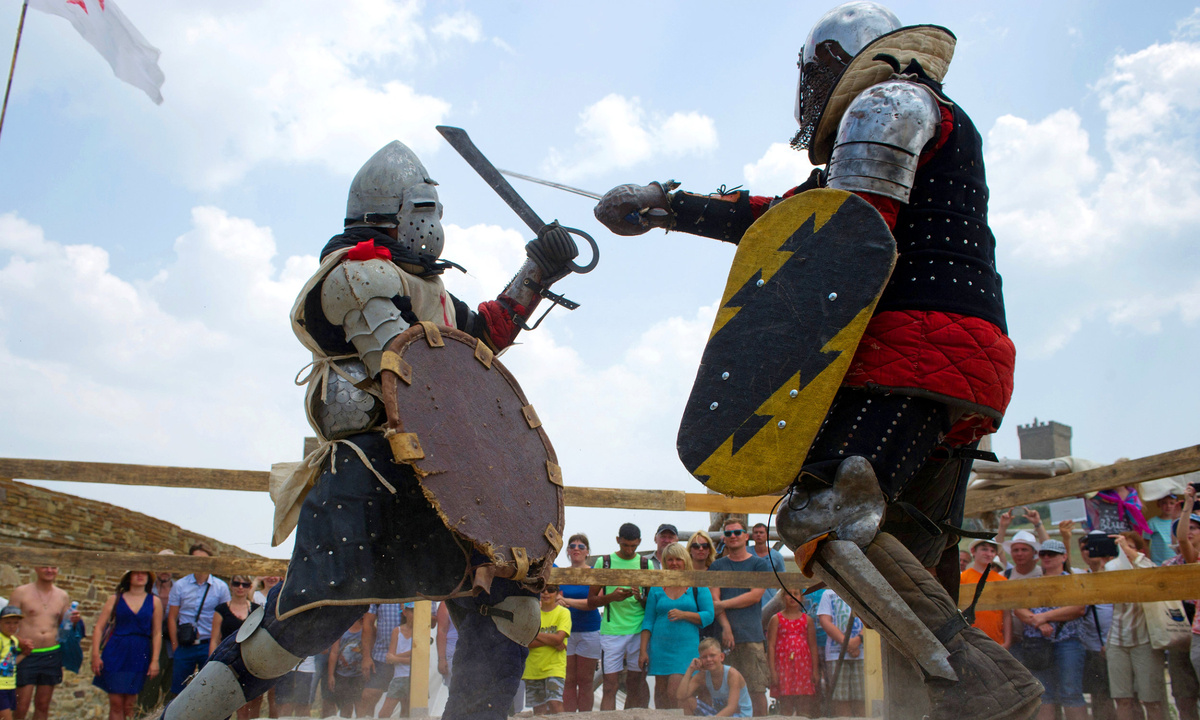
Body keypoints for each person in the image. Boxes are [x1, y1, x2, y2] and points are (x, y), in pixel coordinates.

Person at [594, 4, 1039, 718]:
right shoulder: (936, 114)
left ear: (838, 61)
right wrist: (666, 205)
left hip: (911, 352)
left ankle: (981, 678)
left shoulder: (890, 101)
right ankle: (940, 702)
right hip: (964, 362)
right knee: (904, 555)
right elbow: (789, 215)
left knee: (821, 512)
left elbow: (843, 234)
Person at [161, 140, 577, 720]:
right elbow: (409, 371)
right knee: (290, 633)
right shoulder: (359, 274)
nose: (434, 227)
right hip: (372, 475)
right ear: (401, 213)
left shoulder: (424, 287)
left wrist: (539, 269)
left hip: (448, 476)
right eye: (426, 211)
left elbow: (480, 339)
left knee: (511, 613)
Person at [1013, 539, 1087, 720]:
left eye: (1051, 554)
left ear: (1064, 556)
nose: (1046, 557)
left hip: (1067, 641)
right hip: (1037, 643)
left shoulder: (1073, 581)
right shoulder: (1032, 582)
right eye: (1043, 554)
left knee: (1071, 692)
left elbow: (1078, 608)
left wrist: (1043, 617)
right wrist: (1037, 622)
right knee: (1044, 694)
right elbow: (1018, 608)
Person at [639, 543, 715, 710]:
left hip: (685, 649)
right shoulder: (657, 587)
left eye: (678, 559)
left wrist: (684, 614)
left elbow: (709, 615)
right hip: (660, 648)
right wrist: (643, 650)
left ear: (685, 560)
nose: (674, 563)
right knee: (660, 692)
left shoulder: (697, 585)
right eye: (670, 560)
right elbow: (648, 621)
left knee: (676, 691)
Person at [708, 520, 769, 717]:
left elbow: (755, 596)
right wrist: (726, 627)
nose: (733, 536)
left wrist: (724, 605)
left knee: (756, 690)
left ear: (746, 536)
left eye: (737, 532)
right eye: (729, 533)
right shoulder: (717, 566)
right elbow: (713, 598)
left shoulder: (759, 564)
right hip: (723, 638)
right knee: (724, 693)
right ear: (724, 538)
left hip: (751, 635)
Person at [589, 523, 650, 710]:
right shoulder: (604, 562)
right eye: (625, 545)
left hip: (638, 630)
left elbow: (651, 604)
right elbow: (591, 601)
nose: (630, 550)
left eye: (633, 546)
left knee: (634, 686)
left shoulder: (645, 564)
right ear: (618, 541)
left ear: (639, 542)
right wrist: (611, 597)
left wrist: (640, 598)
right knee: (610, 686)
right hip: (612, 631)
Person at [1104, 532, 1165, 720]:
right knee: (1122, 699)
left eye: (1128, 546)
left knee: (1151, 700)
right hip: (1117, 640)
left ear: (1138, 550)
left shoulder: (1146, 566)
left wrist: (1129, 551)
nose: (1123, 550)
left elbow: (1152, 574)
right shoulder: (1113, 568)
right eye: (1120, 547)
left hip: (1144, 639)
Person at [9, 566, 81, 720]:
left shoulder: (62, 595)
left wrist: (74, 621)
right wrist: (20, 642)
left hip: (51, 654)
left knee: (43, 705)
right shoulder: (21, 592)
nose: (49, 570)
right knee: (21, 705)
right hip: (27, 653)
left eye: (53, 567)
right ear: (35, 568)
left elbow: (64, 627)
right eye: (45, 566)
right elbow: (7, 624)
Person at [91, 570, 163, 720]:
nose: (140, 575)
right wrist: (95, 655)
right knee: (116, 702)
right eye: (135, 573)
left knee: (130, 704)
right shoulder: (115, 599)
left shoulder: (154, 601)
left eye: (144, 573)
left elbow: (157, 632)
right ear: (128, 577)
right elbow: (99, 627)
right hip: (116, 651)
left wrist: (155, 660)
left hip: (139, 653)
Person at [165, 544, 229, 698]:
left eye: (204, 559)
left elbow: (225, 618)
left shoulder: (221, 587)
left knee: (207, 691)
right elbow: (172, 618)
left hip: (208, 645)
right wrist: (175, 647)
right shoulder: (180, 585)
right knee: (178, 692)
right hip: (184, 645)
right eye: (196, 559)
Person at [1075, 531, 1116, 720]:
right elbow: (1060, 563)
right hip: (1092, 646)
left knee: (1128, 696)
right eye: (1085, 547)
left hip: (1118, 643)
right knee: (1099, 695)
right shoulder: (1080, 575)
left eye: (1095, 546)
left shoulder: (1120, 572)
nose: (1090, 551)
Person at [208, 576, 261, 720]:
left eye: (245, 584)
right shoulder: (221, 610)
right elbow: (214, 639)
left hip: (251, 661)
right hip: (228, 662)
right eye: (237, 583)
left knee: (250, 705)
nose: (240, 587)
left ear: (250, 587)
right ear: (231, 586)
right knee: (226, 703)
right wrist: (210, 664)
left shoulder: (257, 610)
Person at [558, 534, 599, 712]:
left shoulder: (594, 573)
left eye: (581, 546)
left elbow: (594, 603)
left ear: (587, 552)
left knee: (586, 681)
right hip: (565, 631)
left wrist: (566, 600)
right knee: (568, 680)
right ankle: (568, 716)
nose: (576, 549)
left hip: (590, 630)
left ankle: (585, 716)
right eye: (572, 546)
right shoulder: (560, 573)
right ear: (567, 551)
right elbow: (554, 599)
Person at [766, 591, 819, 717]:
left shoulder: (808, 620)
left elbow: (813, 646)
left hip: (803, 667)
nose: (792, 597)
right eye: (788, 594)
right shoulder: (776, 619)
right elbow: (771, 646)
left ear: (801, 597)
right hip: (784, 667)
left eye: (796, 593)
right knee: (786, 704)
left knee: (804, 704)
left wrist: (815, 671)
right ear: (782, 597)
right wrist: (773, 671)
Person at [137, 551, 176, 715]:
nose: (165, 569)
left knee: (171, 687)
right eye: (162, 564)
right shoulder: (147, 587)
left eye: (169, 565)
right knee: (148, 687)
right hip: (148, 641)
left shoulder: (179, 587)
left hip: (172, 640)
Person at [524, 586, 571, 715]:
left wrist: (534, 634)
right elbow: (526, 642)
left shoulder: (563, 612)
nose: (546, 593)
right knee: (538, 709)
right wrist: (552, 640)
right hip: (533, 668)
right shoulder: (532, 613)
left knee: (555, 703)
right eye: (543, 589)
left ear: (557, 593)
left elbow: (559, 639)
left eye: (550, 590)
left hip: (554, 666)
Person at [818, 589, 865, 718]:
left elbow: (871, 618)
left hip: (863, 654)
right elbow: (825, 621)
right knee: (840, 698)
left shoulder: (862, 590)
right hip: (836, 654)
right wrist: (847, 643)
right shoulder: (828, 593)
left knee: (862, 697)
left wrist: (858, 640)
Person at [677, 638, 752, 718]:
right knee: (686, 702)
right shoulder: (702, 676)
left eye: (712, 655)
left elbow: (732, 708)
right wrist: (690, 669)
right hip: (719, 716)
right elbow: (681, 697)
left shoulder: (732, 674)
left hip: (740, 716)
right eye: (704, 657)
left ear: (721, 657)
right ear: (700, 660)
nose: (709, 659)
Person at [960, 539, 1011, 648]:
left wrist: (1007, 642)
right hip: (969, 640)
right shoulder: (962, 578)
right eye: (984, 549)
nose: (989, 554)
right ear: (973, 551)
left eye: (992, 551)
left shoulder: (1001, 580)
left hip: (996, 640)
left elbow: (1006, 613)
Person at [360, 603, 403, 714]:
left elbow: (432, 623)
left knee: (407, 700)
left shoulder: (417, 588)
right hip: (382, 655)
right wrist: (366, 657)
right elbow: (367, 624)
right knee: (368, 696)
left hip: (409, 658)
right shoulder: (381, 592)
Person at [327, 614, 367, 718]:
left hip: (360, 674)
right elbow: (334, 652)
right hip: (343, 675)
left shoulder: (366, 630)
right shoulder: (341, 630)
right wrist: (331, 675)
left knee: (360, 704)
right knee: (345, 706)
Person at [379, 603, 415, 719]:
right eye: (412, 611)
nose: (415, 614)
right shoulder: (397, 631)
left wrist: (396, 658)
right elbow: (389, 658)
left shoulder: (422, 632)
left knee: (408, 713)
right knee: (384, 713)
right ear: (405, 612)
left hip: (415, 677)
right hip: (399, 677)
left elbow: (417, 660)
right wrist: (410, 654)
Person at [1, 606, 29, 720]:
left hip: (10, 685)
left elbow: (10, 663)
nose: (12, 626)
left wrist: (24, 654)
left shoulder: (14, 640)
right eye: (7, 623)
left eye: (15, 623)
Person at [750, 524, 785, 605]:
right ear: (752, 535)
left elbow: (783, 579)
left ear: (767, 535)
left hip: (770, 599)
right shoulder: (746, 552)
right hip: (748, 597)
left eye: (761, 532)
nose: (758, 535)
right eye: (756, 532)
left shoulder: (777, 556)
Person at [1149, 493, 1182, 565]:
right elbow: (1145, 542)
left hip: (1176, 562)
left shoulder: (1180, 522)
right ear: (1158, 504)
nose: (1168, 506)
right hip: (1158, 563)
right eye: (1164, 503)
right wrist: (1148, 560)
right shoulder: (1152, 522)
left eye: (1172, 503)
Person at [435, 601, 458, 691]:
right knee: (454, 690)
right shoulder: (445, 604)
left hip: (471, 652)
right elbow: (441, 631)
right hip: (452, 653)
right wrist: (441, 659)